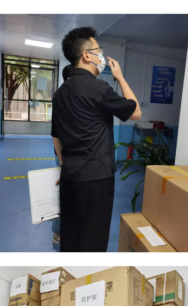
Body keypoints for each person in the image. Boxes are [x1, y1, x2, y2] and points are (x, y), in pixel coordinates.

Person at [52, 27, 142, 252]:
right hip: (96, 180)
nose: (101, 55)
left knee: (70, 236)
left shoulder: (60, 93)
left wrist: (65, 166)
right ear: (86, 55)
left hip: (70, 178)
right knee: (93, 239)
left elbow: (56, 137)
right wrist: (120, 77)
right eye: (98, 50)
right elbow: (136, 112)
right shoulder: (99, 88)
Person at [51, 65, 74, 252]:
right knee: (61, 193)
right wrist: (62, 161)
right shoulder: (63, 97)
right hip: (64, 155)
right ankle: (58, 232)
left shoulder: (69, 96)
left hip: (73, 156)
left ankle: (67, 229)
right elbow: (56, 134)